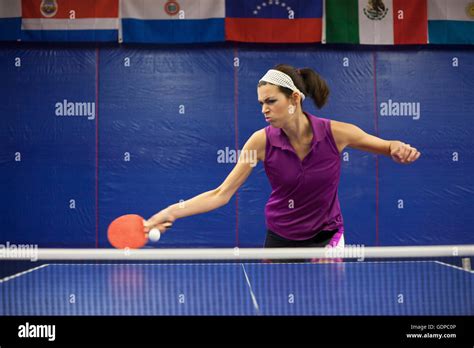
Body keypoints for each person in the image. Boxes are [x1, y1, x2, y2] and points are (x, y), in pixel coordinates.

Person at [143, 64, 421, 250]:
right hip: (280, 239)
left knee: (330, 304)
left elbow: (386, 145)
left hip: (328, 239)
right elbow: (221, 194)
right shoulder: (261, 141)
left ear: (295, 99)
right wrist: (171, 212)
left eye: (271, 101)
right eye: (261, 102)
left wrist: (397, 147)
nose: (264, 109)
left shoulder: (337, 133)